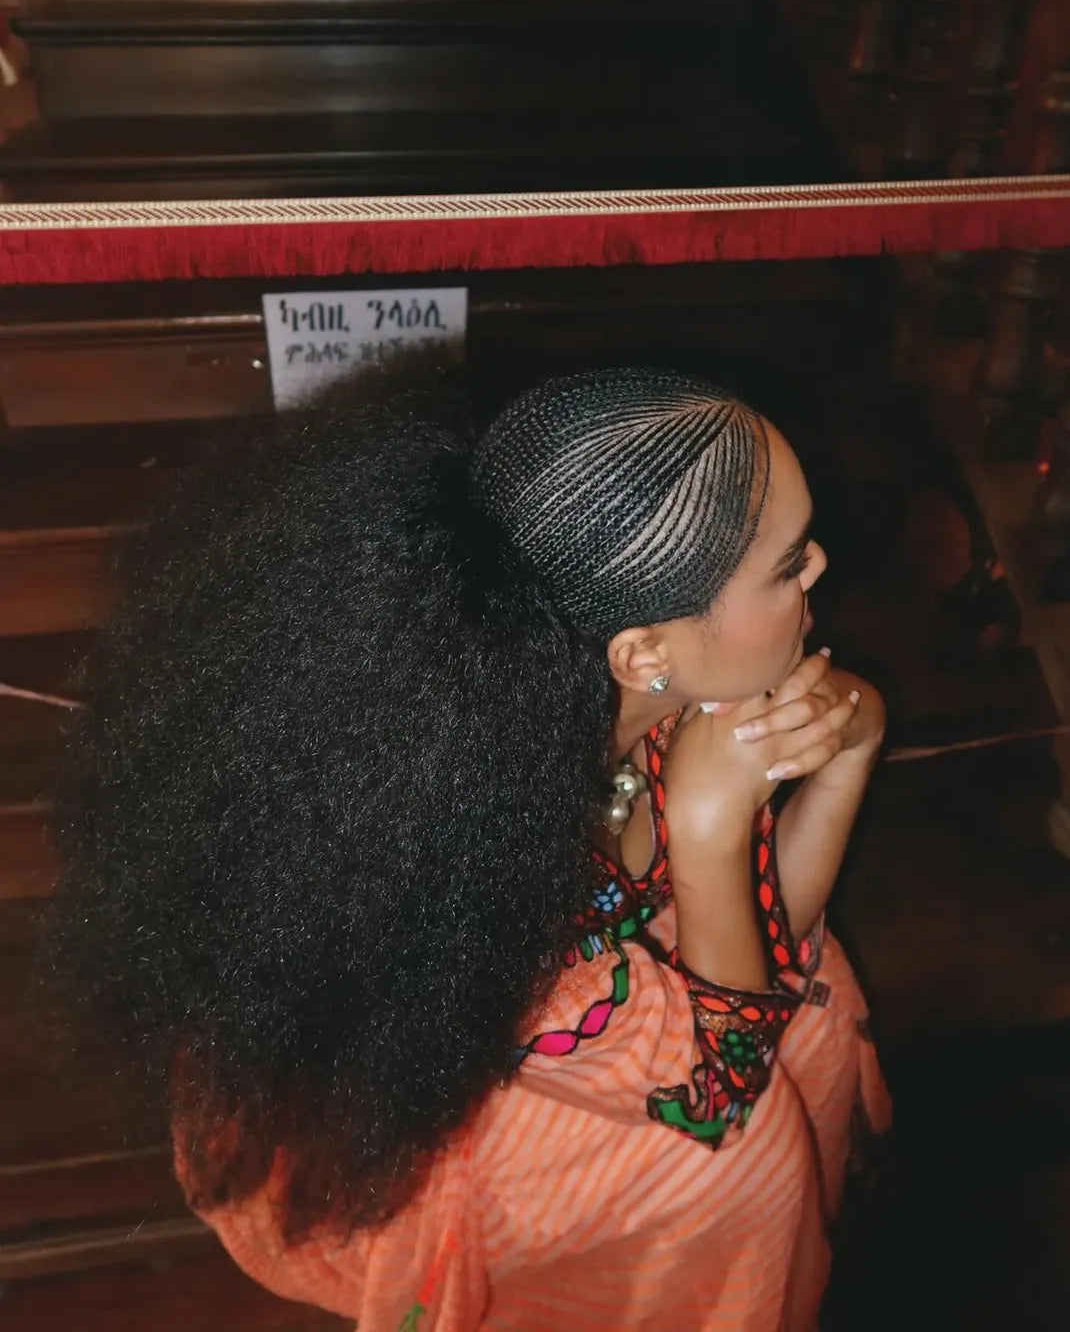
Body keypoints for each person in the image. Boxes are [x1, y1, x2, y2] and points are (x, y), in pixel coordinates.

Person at [53, 363, 890, 1330]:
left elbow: (778, 955)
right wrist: (708, 824)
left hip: (601, 1017)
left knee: (818, 1013)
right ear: (644, 653)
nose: (820, 566)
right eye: (788, 565)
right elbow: (719, 1094)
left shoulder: (621, 687)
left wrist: (847, 753)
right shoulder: (500, 885)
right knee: (742, 1168)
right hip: (449, 1093)